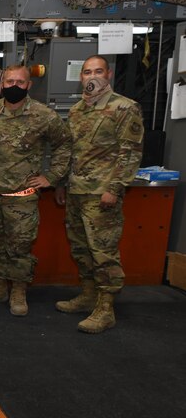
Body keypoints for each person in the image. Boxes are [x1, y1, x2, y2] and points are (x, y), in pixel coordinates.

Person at [55, 55, 143, 333]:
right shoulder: (78, 110)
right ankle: (89, 295)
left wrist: (114, 188)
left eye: (98, 71)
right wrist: (61, 184)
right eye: (87, 72)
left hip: (102, 193)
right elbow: (71, 151)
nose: (92, 76)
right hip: (77, 191)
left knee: (103, 251)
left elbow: (130, 153)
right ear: (80, 77)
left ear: (109, 74)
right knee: (81, 248)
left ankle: (106, 308)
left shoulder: (125, 108)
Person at [0, 65, 71, 316]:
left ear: (29, 85)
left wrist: (51, 177)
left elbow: (64, 144)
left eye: (20, 82)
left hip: (22, 196)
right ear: (2, 84)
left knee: (19, 246)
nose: (14, 86)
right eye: (9, 81)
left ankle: (18, 290)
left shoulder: (43, 115)